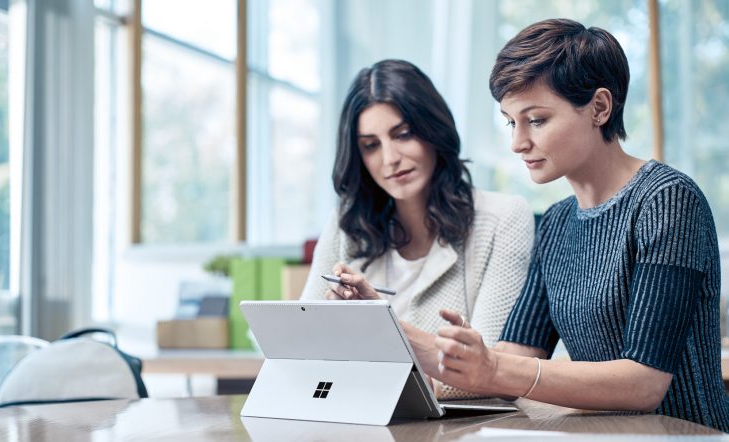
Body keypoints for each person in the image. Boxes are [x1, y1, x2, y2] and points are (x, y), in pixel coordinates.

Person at [430, 18, 728, 431]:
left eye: (536, 119)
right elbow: (517, 355)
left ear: (600, 108)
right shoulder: (556, 223)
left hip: (683, 437)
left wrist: (495, 367)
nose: (517, 142)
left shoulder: (667, 200)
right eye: (510, 122)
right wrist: (394, 329)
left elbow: (643, 383)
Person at [300, 59, 535, 398]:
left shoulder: (504, 218)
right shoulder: (346, 224)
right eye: (371, 145)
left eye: (403, 134)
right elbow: (298, 348)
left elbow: (488, 367)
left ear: (433, 129)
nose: (390, 158)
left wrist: (374, 350)